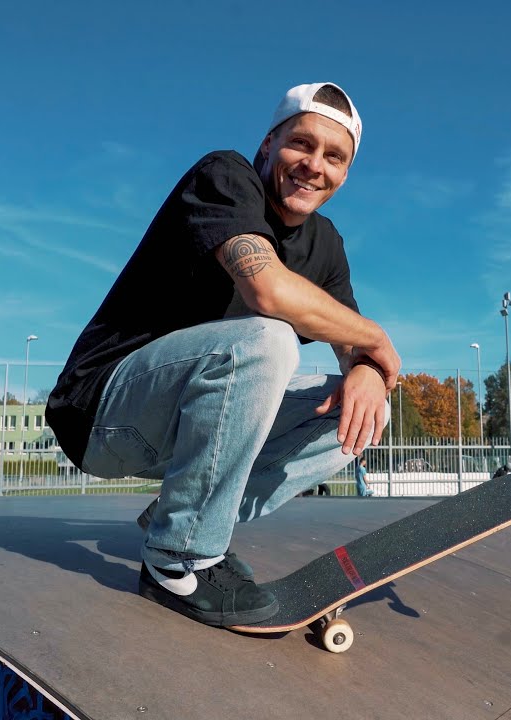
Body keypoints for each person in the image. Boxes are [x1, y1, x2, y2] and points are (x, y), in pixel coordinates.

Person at [46, 82, 400, 628]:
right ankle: (178, 559)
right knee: (269, 337)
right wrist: (376, 339)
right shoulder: (225, 178)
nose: (313, 166)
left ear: (345, 174)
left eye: (334, 157)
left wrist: (369, 372)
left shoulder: (326, 245)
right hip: (105, 414)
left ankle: (183, 518)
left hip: (185, 428)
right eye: (300, 145)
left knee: (362, 412)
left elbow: (351, 347)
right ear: (267, 145)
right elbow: (268, 292)